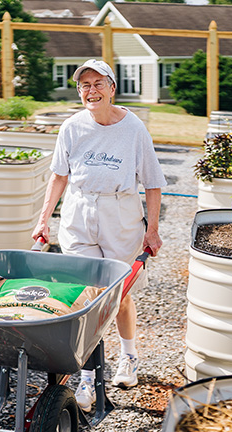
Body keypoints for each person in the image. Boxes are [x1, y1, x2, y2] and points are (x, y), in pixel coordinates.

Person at [31, 59, 167, 412]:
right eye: (84, 86)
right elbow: (59, 176)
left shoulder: (133, 128)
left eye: (97, 84)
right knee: (88, 297)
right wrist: (44, 219)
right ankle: (88, 379)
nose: (91, 91)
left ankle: (128, 356)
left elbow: (152, 182)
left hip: (119, 212)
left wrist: (152, 229)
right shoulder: (72, 127)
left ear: (112, 88)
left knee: (118, 295)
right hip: (79, 212)